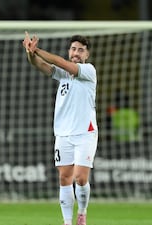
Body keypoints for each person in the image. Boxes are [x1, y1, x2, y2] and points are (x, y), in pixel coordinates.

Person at [23, 32, 98, 225]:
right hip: (63, 134)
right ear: (69, 50)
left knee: (80, 178)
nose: (76, 53)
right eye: (73, 49)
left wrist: (38, 49)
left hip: (85, 133)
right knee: (64, 177)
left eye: (81, 50)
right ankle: (67, 222)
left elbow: (62, 63)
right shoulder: (63, 76)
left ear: (86, 55)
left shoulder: (88, 71)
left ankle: (82, 212)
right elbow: (39, 64)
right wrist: (30, 53)